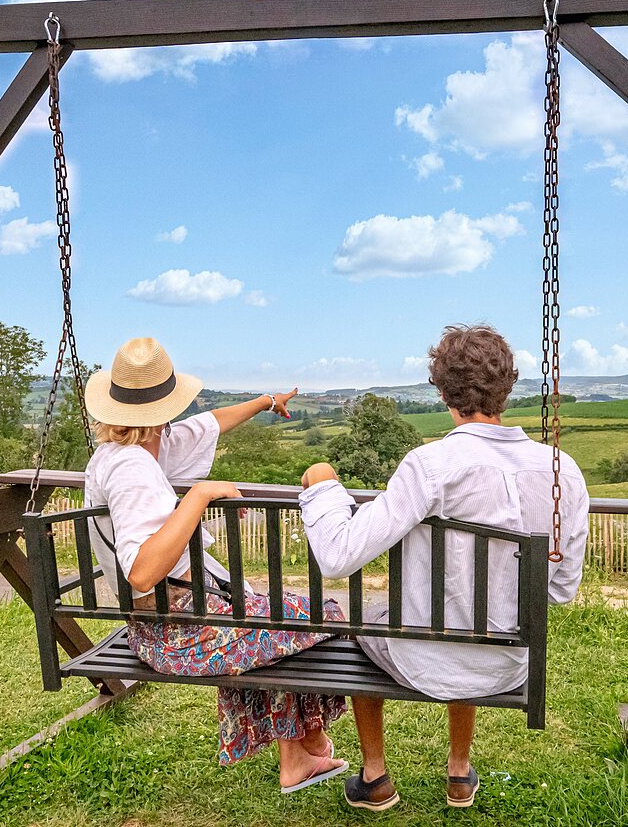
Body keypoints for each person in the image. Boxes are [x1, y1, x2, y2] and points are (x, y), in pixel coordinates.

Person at [298, 324, 588, 810]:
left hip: (428, 662)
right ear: (508, 386)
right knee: (467, 612)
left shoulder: (429, 465)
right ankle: (458, 771)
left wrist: (323, 485)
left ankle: (374, 776)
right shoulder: (563, 472)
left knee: (361, 620)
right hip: (509, 663)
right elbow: (559, 591)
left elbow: (338, 554)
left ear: (441, 391)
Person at [83, 337, 348, 793]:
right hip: (177, 636)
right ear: (163, 409)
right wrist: (201, 496)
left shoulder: (132, 451)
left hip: (181, 620)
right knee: (326, 615)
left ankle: (299, 753)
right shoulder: (132, 469)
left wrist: (267, 401)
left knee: (273, 615)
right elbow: (143, 571)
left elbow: (207, 425)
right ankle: (307, 741)